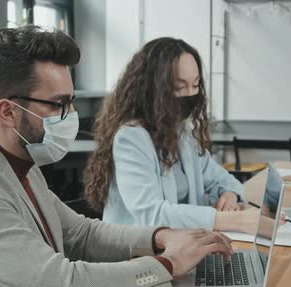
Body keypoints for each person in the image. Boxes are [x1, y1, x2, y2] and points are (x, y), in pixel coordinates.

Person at [0, 26, 233, 287]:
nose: (70, 114)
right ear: (7, 112)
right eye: (59, 104)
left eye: (70, 102)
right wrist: (168, 264)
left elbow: (81, 234)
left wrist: (161, 238)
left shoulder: (21, 167)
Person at [84, 37, 260, 234]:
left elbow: (223, 179)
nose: (190, 95)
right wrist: (233, 221)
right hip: (136, 255)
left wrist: (230, 194)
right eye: (179, 87)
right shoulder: (131, 139)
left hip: (180, 246)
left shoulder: (182, 132)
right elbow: (153, 215)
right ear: (153, 89)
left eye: (195, 85)